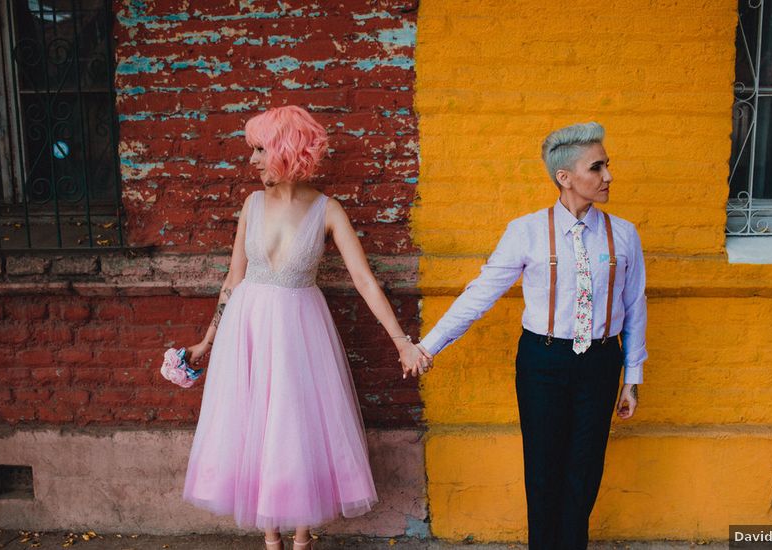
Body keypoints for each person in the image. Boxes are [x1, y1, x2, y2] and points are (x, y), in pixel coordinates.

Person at [180, 105, 428, 550]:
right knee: (252, 421)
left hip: (299, 330)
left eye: (260, 149)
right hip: (247, 328)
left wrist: (401, 343)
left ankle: (301, 537)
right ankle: (271, 538)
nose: (252, 160)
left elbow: (365, 280)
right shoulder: (251, 205)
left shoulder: (328, 210)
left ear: (286, 150)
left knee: (292, 424)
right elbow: (233, 279)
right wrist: (207, 340)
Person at [415, 122, 646, 549]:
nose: (608, 176)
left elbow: (635, 307)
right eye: (597, 167)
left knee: (585, 471)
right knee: (542, 472)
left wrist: (632, 376)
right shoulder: (526, 231)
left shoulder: (625, 235)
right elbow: (481, 292)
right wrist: (428, 345)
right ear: (566, 177)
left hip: (600, 362)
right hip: (543, 363)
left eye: (607, 165)